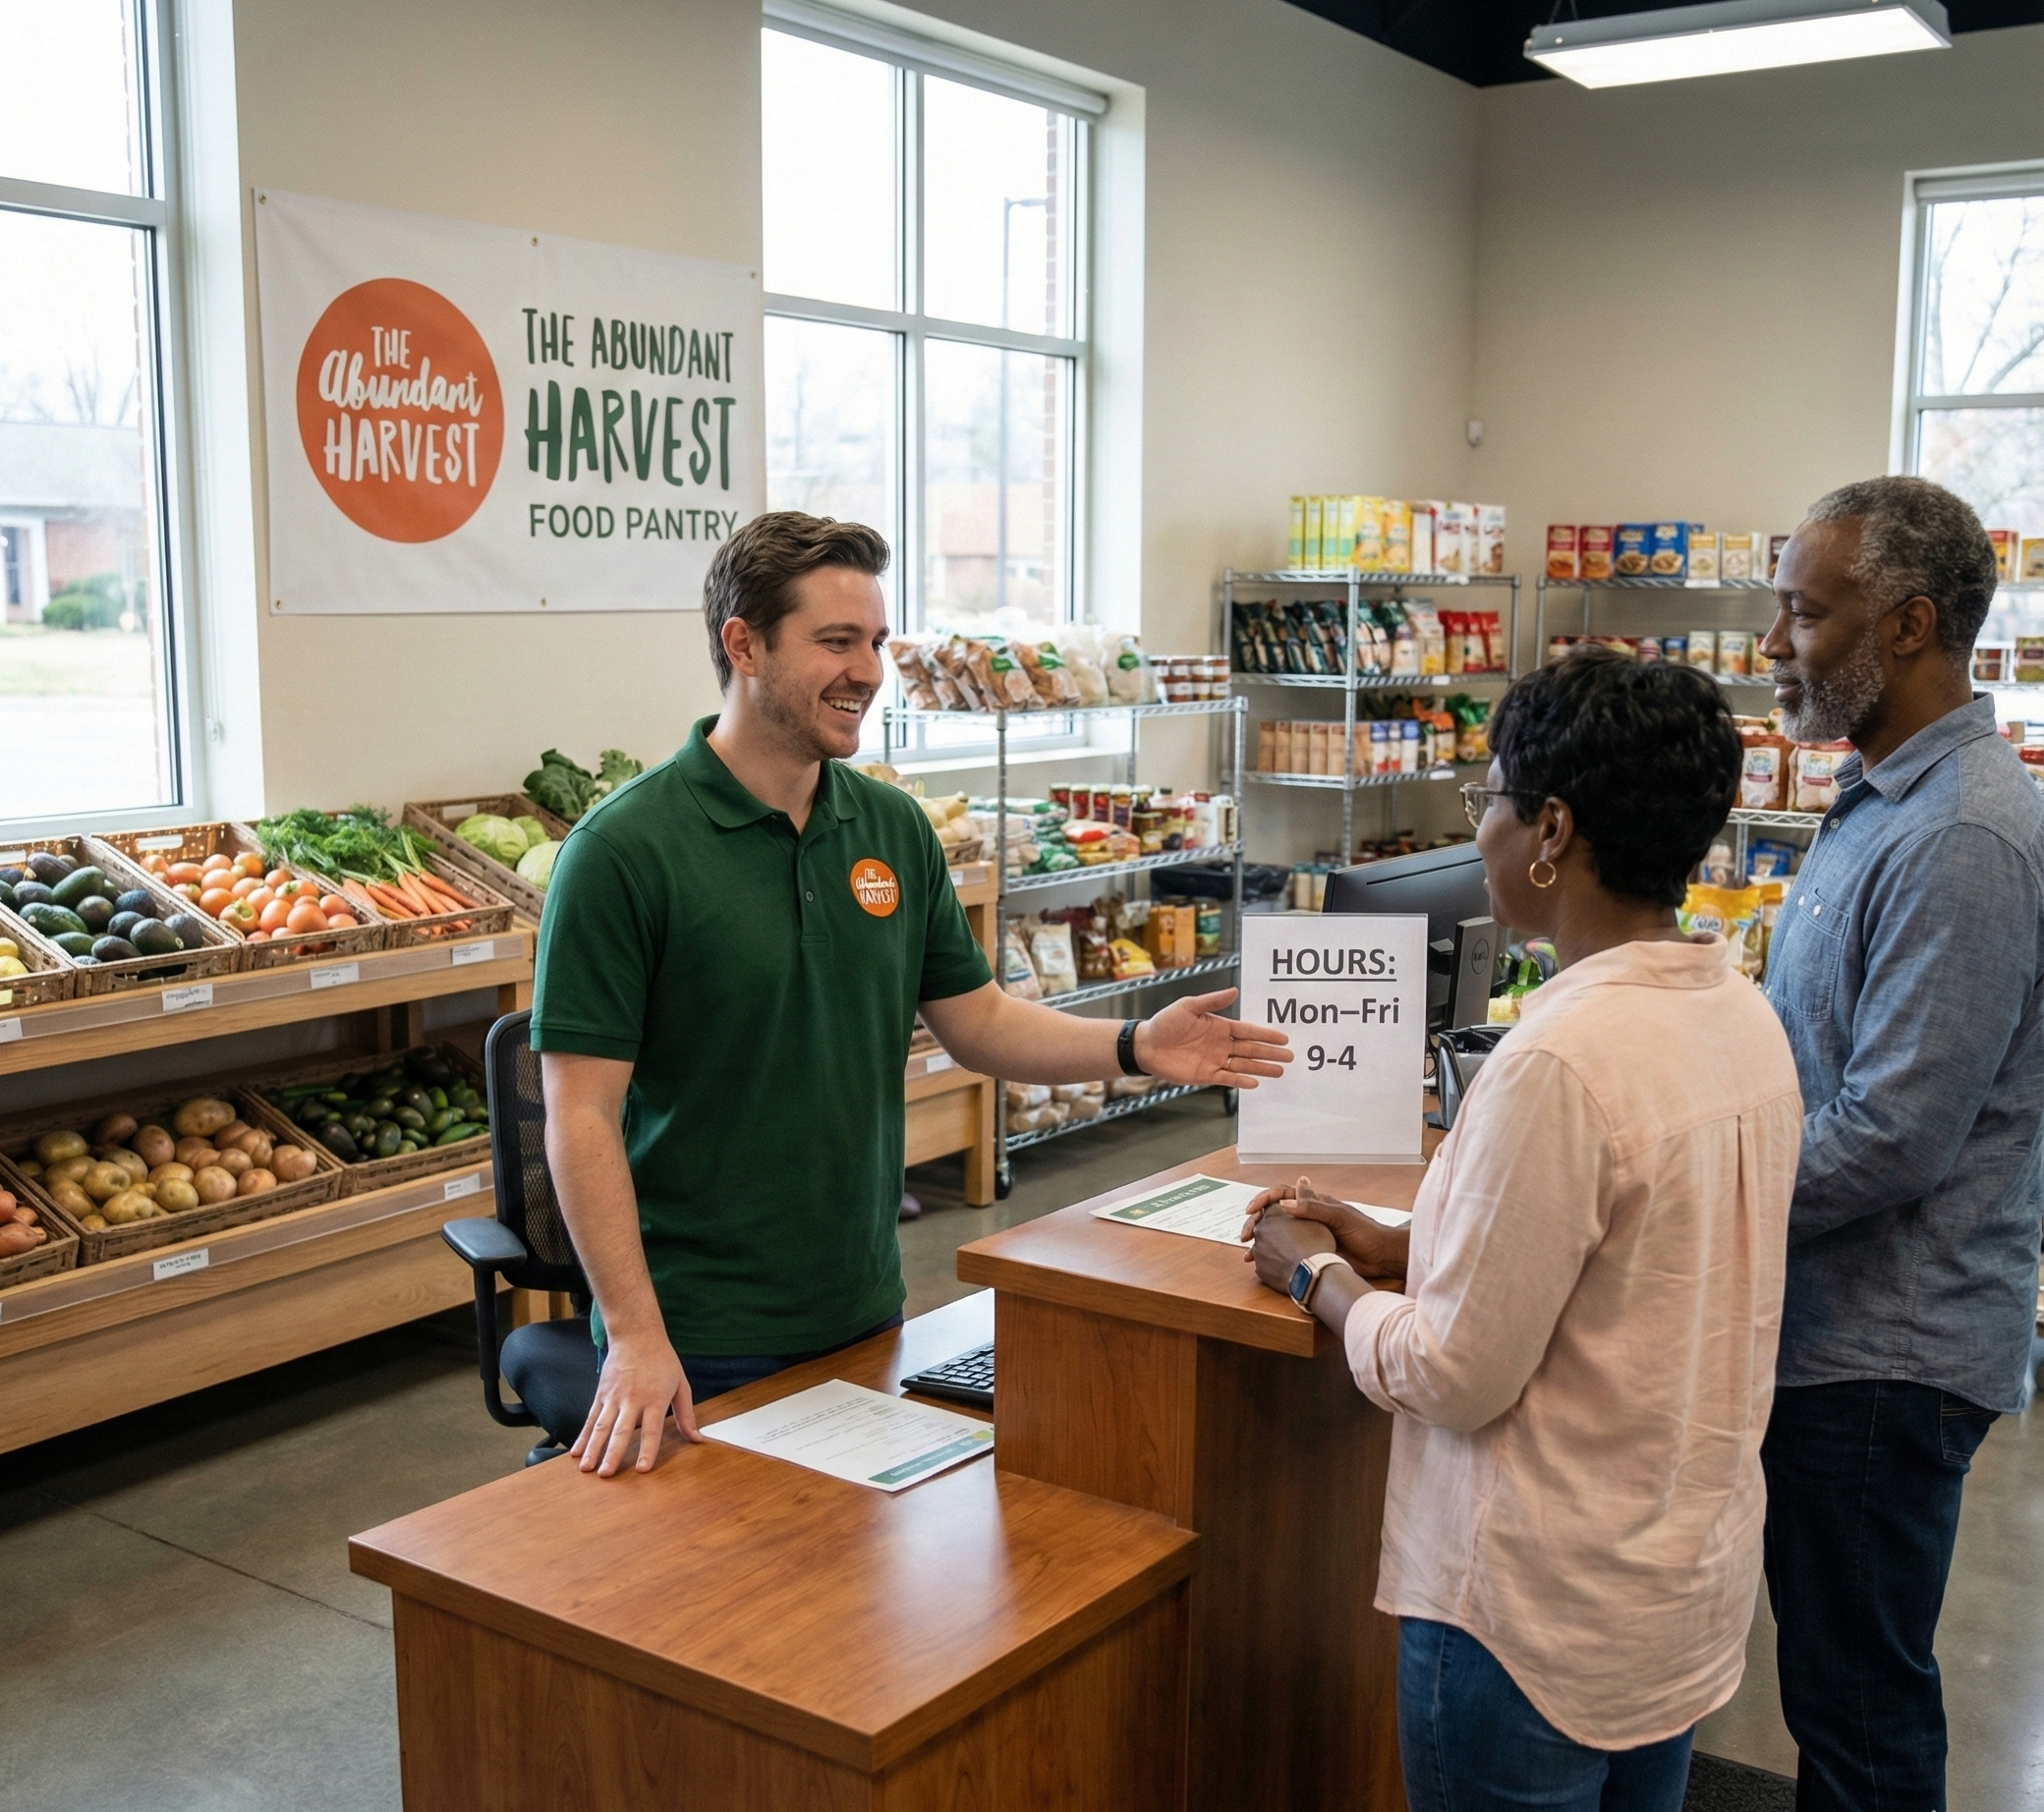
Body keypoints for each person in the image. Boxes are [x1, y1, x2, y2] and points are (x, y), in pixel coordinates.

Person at [529, 510, 1290, 1477]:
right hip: (697, 1331)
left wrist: (1136, 1046)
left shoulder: (888, 825)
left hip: (860, 1306)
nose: (868, 669)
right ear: (743, 646)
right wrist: (635, 1335)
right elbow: (580, 1115)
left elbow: (976, 1022)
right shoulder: (623, 852)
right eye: (835, 641)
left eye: (877, 641)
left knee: (856, 1605)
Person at [1244, 648, 1803, 1812]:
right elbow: (1635, 1268)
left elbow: (1452, 1374)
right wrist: (1413, 1242)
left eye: (1487, 799)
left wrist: (1320, 1278)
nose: (1482, 831)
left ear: (1550, 829)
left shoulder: (1557, 1056)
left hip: (1527, 1622)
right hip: (1668, 1594)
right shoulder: (1738, 1011)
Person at [1754, 476, 2044, 1812]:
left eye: (1805, 613)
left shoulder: (1965, 834)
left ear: (1911, 624)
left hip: (1885, 1352)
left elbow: (1891, 1135)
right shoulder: (1882, 795)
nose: (1773, 644)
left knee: (1861, 1716)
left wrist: (1687, 1190)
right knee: (1840, 1690)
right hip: (1839, 1327)